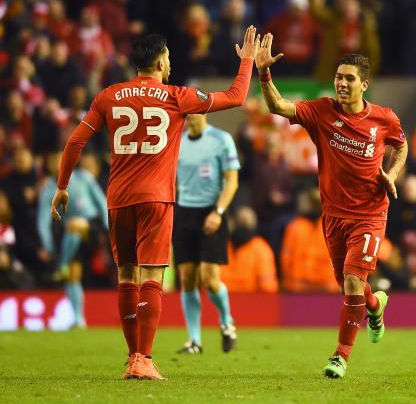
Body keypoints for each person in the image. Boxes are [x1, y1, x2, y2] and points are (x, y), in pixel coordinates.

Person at [51, 27, 260, 380]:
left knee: (126, 275)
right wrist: (247, 62)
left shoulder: (109, 96)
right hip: (156, 198)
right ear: (161, 62)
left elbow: (75, 142)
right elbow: (237, 96)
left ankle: (132, 356)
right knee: (151, 275)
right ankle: (144, 359)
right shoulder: (177, 96)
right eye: (169, 60)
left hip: (118, 199)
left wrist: (62, 186)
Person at [255, 34, 408, 378]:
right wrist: (264, 74)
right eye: (339, 77)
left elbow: (401, 146)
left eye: (349, 78)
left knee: (353, 281)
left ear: (364, 84)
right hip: (334, 214)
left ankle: (340, 356)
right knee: (348, 285)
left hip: (369, 213)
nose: (341, 83)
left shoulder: (384, 119)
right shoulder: (321, 111)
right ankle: (374, 305)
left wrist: (393, 173)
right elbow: (278, 106)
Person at [173, 113, 240, 355]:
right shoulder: (176, 141)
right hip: (184, 212)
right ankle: (194, 340)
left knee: (209, 278)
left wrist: (218, 211)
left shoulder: (221, 139)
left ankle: (226, 320)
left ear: (205, 110)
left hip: (212, 211)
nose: (190, 113)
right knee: (187, 277)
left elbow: (232, 181)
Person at [38, 152, 108, 329]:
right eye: (54, 161)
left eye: (60, 159)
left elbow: (101, 201)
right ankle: (79, 320)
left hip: (93, 226)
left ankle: (62, 264)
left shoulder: (83, 177)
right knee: (73, 275)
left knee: (75, 223)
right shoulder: (49, 190)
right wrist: (48, 246)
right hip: (73, 238)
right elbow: (42, 222)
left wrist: (110, 229)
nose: (57, 164)